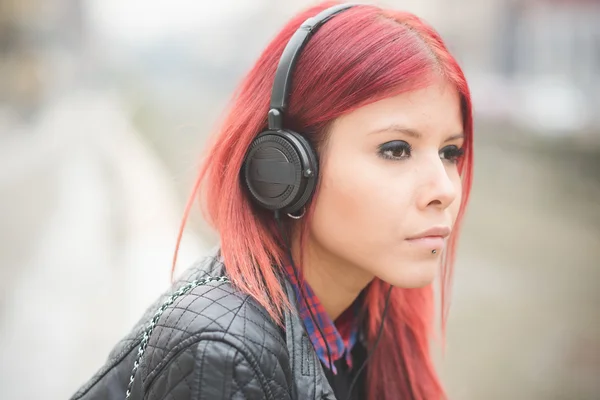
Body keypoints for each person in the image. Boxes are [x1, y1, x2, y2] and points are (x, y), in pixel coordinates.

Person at [71, 2, 473, 399]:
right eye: (397, 149)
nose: (445, 189)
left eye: (450, 153)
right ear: (285, 167)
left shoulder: (362, 330)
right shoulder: (221, 357)